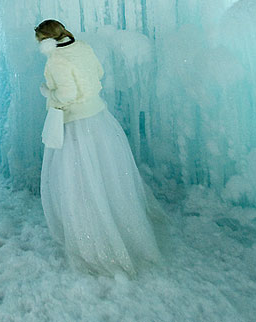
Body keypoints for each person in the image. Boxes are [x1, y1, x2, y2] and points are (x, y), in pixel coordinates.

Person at [36, 19, 163, 276]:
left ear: (46, 40)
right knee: (105, 177)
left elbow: (67, 95)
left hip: (76, 125)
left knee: (79, 181)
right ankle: (120, 228)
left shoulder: (56, 60)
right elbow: (99, 73)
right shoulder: (82, 46)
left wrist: (48, 93)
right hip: (99, 119)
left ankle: (93, 242)